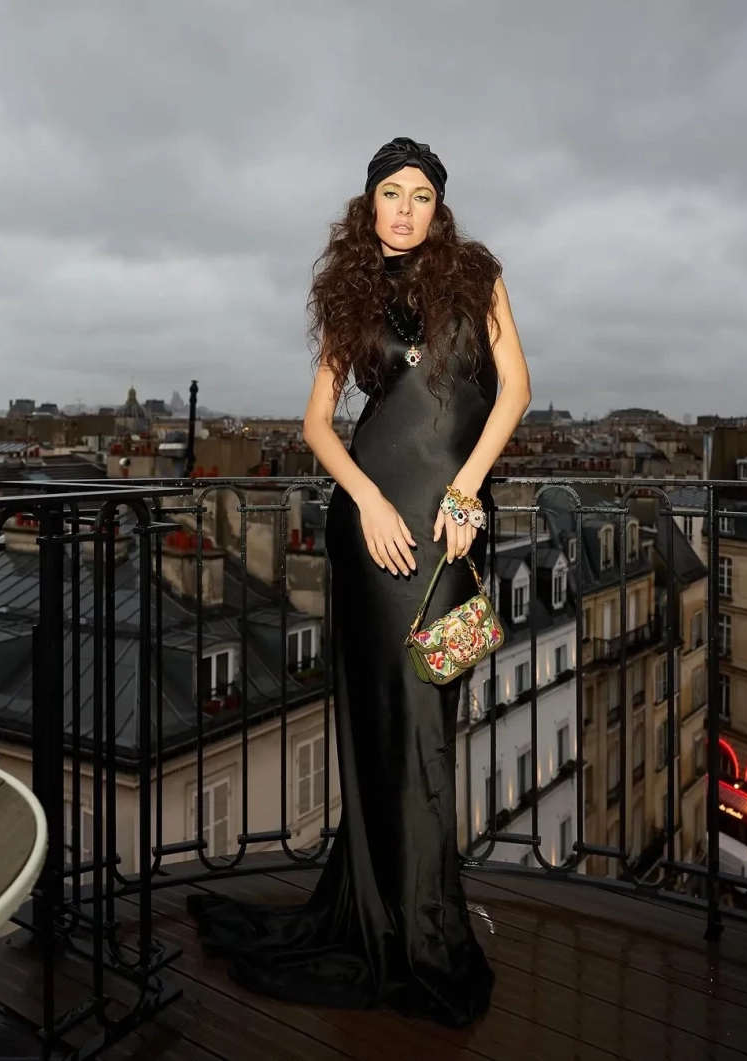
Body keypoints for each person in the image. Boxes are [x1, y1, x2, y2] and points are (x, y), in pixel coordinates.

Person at [188, 136, 531, 1028]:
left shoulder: (478, 275)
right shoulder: (350, 290)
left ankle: (419, 926)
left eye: (422, 195)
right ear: (368, 202)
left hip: (450, 530)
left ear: (439, 208)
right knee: (384, 728)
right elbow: (317, 422)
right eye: (391, 192)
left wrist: (468, 491)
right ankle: (401, 926)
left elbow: (515, 393)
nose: (406, 209)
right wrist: (369, 501)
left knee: (427, 726)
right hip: (373, 533)